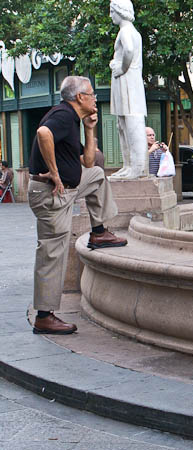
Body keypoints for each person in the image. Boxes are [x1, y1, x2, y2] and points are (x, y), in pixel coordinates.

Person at [28, 75, 127, 335]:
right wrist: (54, 172)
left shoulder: (73, 120)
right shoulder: (62, 115)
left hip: (68, 189)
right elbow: (43, 133)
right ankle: (44, 316)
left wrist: (90, 128)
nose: (95, 98)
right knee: (52, 252)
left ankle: (99, 232)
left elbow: (90, 161)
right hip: (52, 194)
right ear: (80, 97)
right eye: (92, 93)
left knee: (96, 172)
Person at [109, 0, 148, 180]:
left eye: (112, 11)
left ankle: (136, 167)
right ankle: (129, 166)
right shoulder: (132, 32)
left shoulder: (125, 31)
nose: (111, 16)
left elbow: (129, 51)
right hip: (127, 79)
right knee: (122, 123)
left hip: (127, 78)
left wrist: (121, 68)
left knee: (131, 120)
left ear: (120, 11)